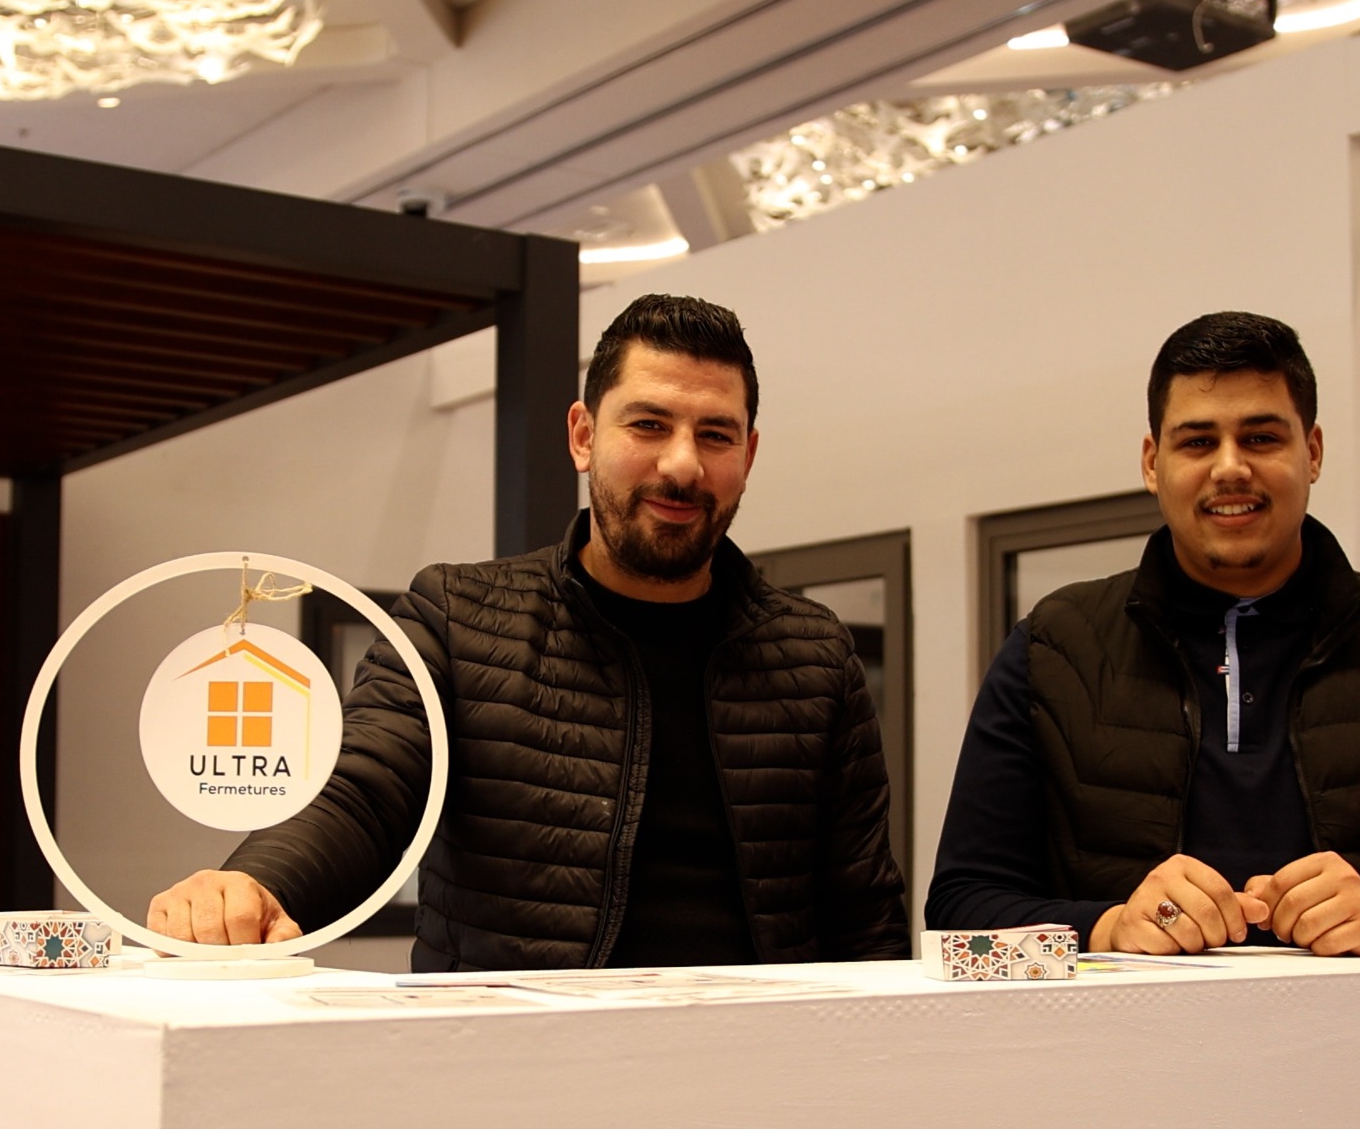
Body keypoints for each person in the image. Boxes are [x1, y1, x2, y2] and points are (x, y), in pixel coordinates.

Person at [150, 294, 907, 971]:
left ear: (748, 453)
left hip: (757, 1065)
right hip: (512, 1064)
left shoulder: (815, 655)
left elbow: (865, 913)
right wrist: (255, 883)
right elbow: (364, 795)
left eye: (716, 435)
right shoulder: (456, 616)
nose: (682, 465)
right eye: (648, 424)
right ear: (583, 436)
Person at [926, 311, 1360, 962]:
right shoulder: (1053, 647)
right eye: (1198, 442)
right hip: (1127, 1031)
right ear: (1152, 462)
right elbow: (958, 915)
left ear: (1312, 453)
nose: (1230, 468)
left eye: (1260, 438)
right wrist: (1109, 929)